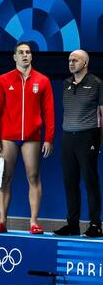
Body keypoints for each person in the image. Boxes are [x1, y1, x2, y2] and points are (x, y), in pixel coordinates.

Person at [0, 42, 55, 234]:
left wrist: (48, 138)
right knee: (4, 178)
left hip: (32, 137)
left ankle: (33, 221)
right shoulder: (4, 80)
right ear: (14, 57)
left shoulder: (42, 80)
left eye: (28, 52)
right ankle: (2, 220)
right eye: (21, 52)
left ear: (31, 57)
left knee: (33, 177)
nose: (25, 55)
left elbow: (49, 112)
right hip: (8, 137)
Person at [54, 50, 102, 238]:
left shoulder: (97, 83)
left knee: (90, 182)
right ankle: (72, 224)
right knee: (70, 182)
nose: (71, 63)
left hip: (88, 137)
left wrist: (98, 141)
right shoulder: (65, 84)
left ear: (85, 63)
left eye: (75, 60)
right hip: (68, 138)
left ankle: (95, 225)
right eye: (69, 60)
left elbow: (102, 114)